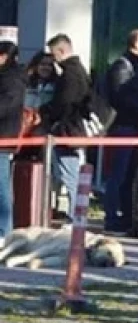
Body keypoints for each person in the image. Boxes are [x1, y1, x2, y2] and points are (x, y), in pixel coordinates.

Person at [102, 30, 138, 234]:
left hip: (136, 127)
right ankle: (113, 216)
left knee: (130, 174)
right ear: (136, 43)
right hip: (124, 126)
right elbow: (122, 96)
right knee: (119, 173)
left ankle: (126, 215)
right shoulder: (123, 66)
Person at [39, 35, 92, 218]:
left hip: (67, 130)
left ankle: (75, 215)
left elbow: (64, 103)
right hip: (73, 129)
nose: (53, 60)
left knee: (69, 175)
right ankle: (76, 214)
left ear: (61, 51)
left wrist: (48, 112)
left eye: (54, 55)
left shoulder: (69, 74)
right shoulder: (79, 71)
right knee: (71, 173)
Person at [0, 41, 26, 242]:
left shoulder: (12, 79)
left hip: (3, 138)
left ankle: (4, 232)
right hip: (4, 136)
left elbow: (5, 107)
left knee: (2, 187)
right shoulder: (9, 77)